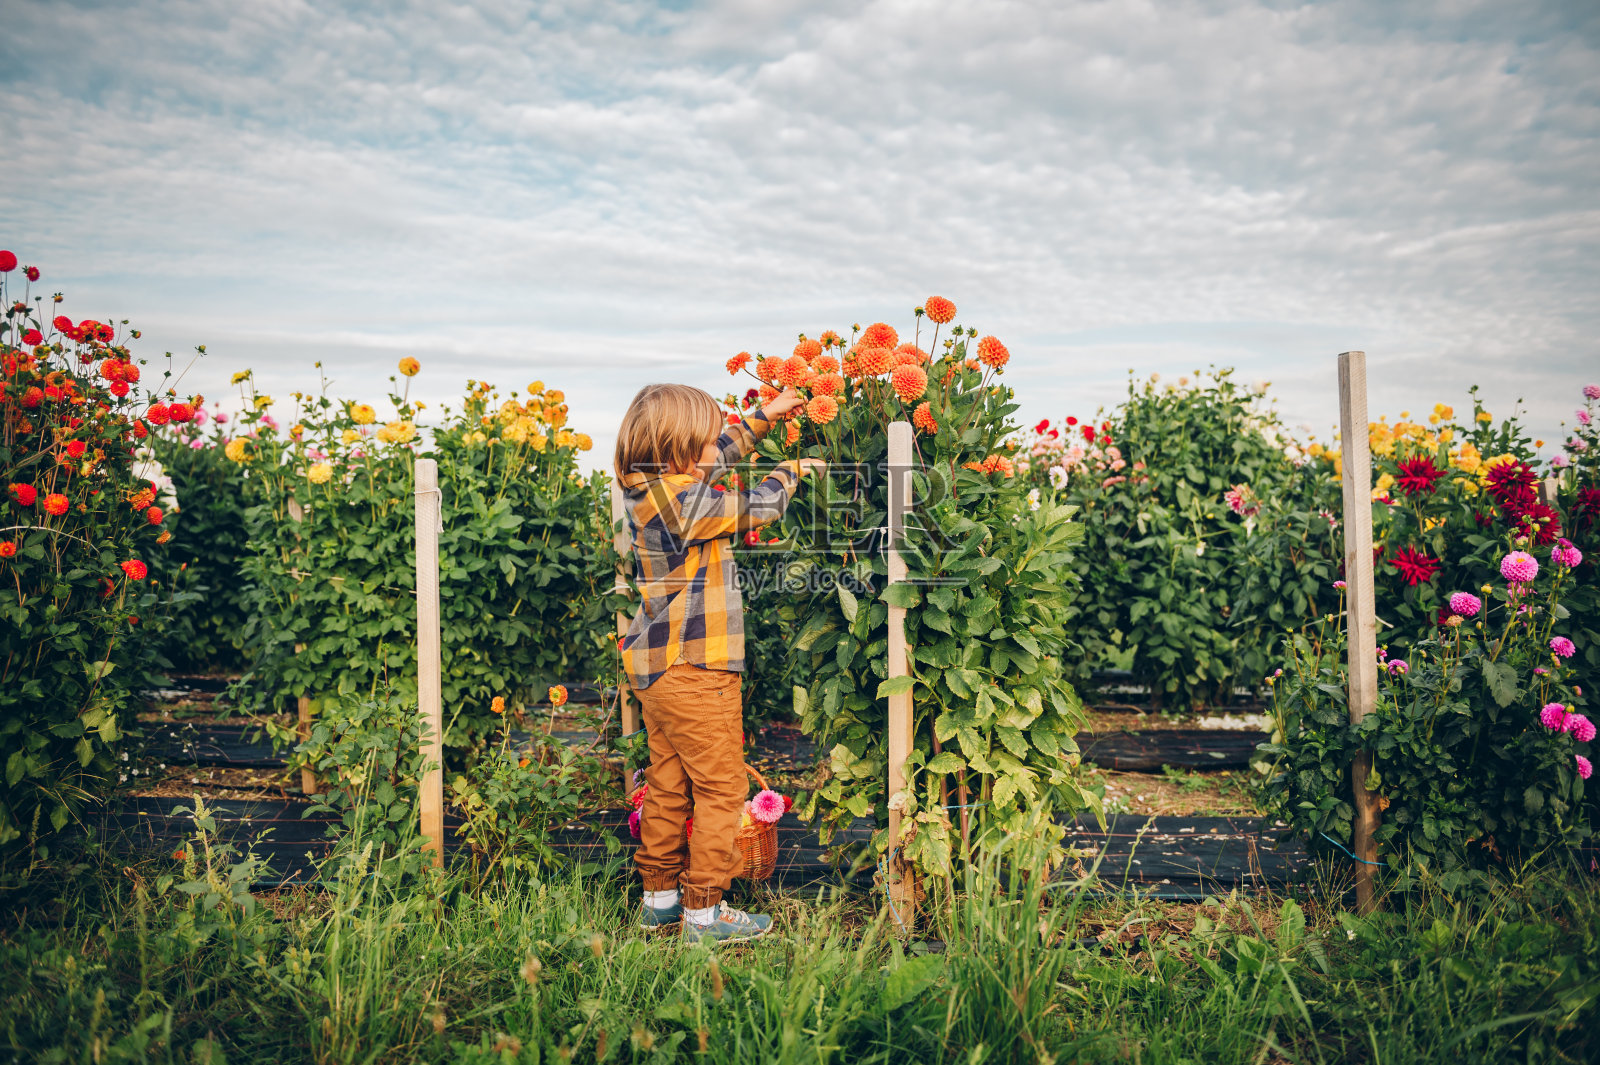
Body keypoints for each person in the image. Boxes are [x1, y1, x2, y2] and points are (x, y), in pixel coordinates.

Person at [614, 382, 823, 944]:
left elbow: (718, 456)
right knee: (721, 790)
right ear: (678, 447)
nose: (716, 447)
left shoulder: (658, 488)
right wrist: (791, 471)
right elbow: (761, 505)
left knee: (668, 784)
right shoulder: (684, 505)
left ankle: (658, 901)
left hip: (660, 670)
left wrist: (762, 418)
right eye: (705, 440)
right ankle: (704, 915)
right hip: (696, 668)